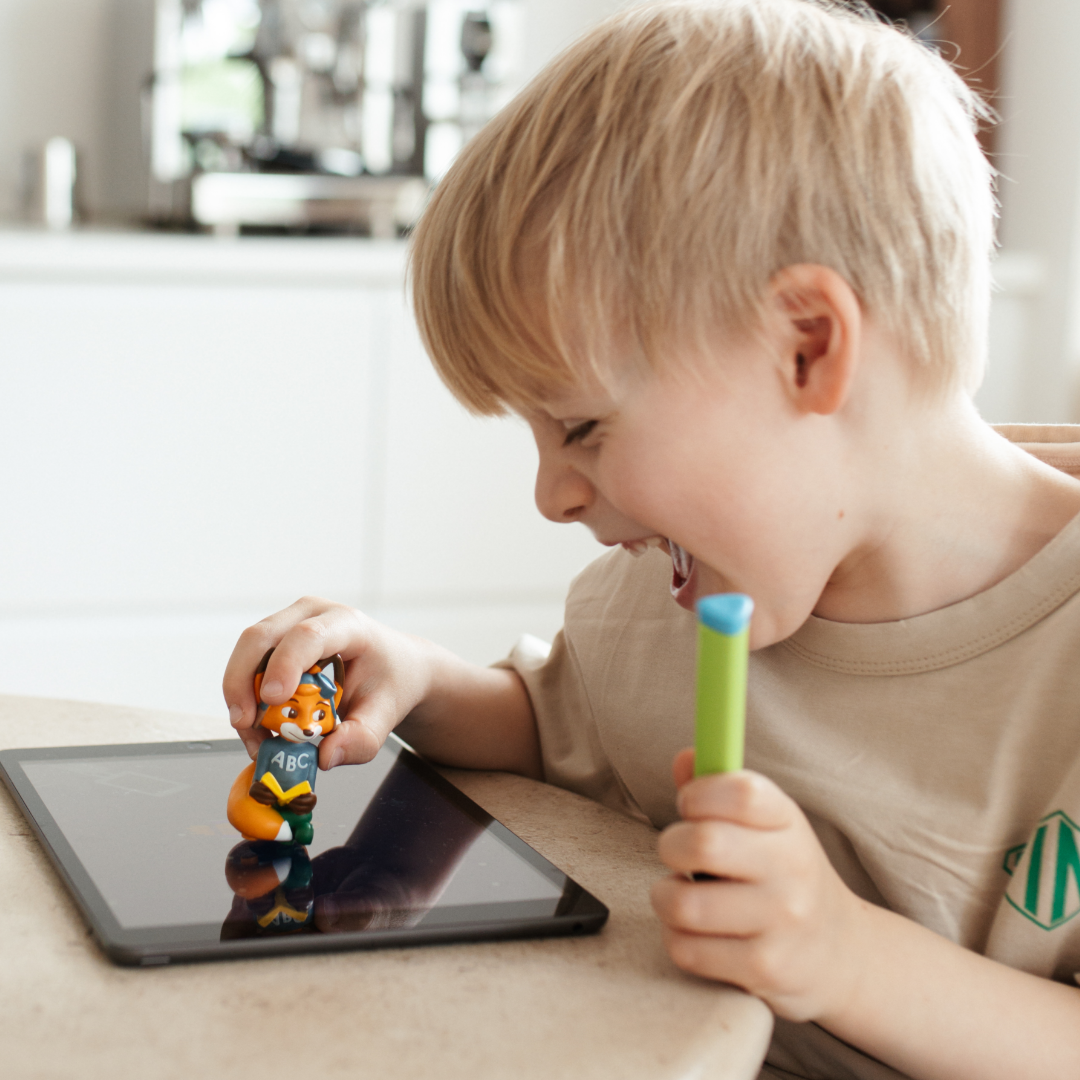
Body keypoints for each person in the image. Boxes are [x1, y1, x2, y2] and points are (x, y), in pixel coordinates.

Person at [223, 2, 1080, 1076]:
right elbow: (558, 726)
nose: (551, 496)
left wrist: (848, 959)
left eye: (581, 428)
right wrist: (420, 682)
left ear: (807, 347)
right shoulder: (682, 596)